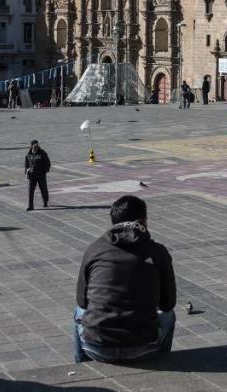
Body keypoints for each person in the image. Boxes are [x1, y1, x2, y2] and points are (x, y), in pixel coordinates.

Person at [73, 196, 176, 364]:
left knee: (78, 311)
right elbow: (168, 304)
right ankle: (162, 360)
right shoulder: (157, 251)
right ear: (143, 221)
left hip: (96, 346)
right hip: (143, 346)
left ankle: (81, 365)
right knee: (168, 315)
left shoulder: (95, 249)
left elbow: (82, 301)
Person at [24, 139, 52, 211]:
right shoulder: (28, 154)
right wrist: (26, 171)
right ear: (31, 146)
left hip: (41, 175)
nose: (36, 146)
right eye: (34, 145)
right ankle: (30, 206)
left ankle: (45, 201)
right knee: (30, 191)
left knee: (43, 189)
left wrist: (45, 171)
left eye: (37, 145)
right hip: (32, 176)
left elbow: (48, 163)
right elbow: (26, 165)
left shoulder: (42, 153)